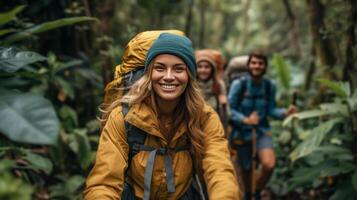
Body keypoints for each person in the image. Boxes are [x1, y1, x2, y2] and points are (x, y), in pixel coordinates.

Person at [84, 33, 240, 200]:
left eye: (179, 69)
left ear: (189, 75)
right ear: (149, 73)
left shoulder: (204, 117)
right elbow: (105, 182)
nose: (168, 76)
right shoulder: (124, 117)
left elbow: (219, 169)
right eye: (160, 68)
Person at [228, 51, 297, 199]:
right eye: (253, 63)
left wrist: (285, 113)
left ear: (265, 66)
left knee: (269, 164)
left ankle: (257, 190)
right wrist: (244, 119)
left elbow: (271, 109)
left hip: (262, 131)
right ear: (248, 65)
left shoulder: (269, 85)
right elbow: (230, 109)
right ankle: (248, 194)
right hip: (241, 132)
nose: (257, 66)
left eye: (260, 63)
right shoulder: (238, 84)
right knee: (246, 169)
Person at [195, 49, 229, 128]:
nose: (203, 70)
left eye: (207, 67)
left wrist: (223, 105)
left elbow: (226, 116)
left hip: (213, 126)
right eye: (199, 67)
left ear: (212, 69)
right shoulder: (191, 85)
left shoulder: (219, 84)